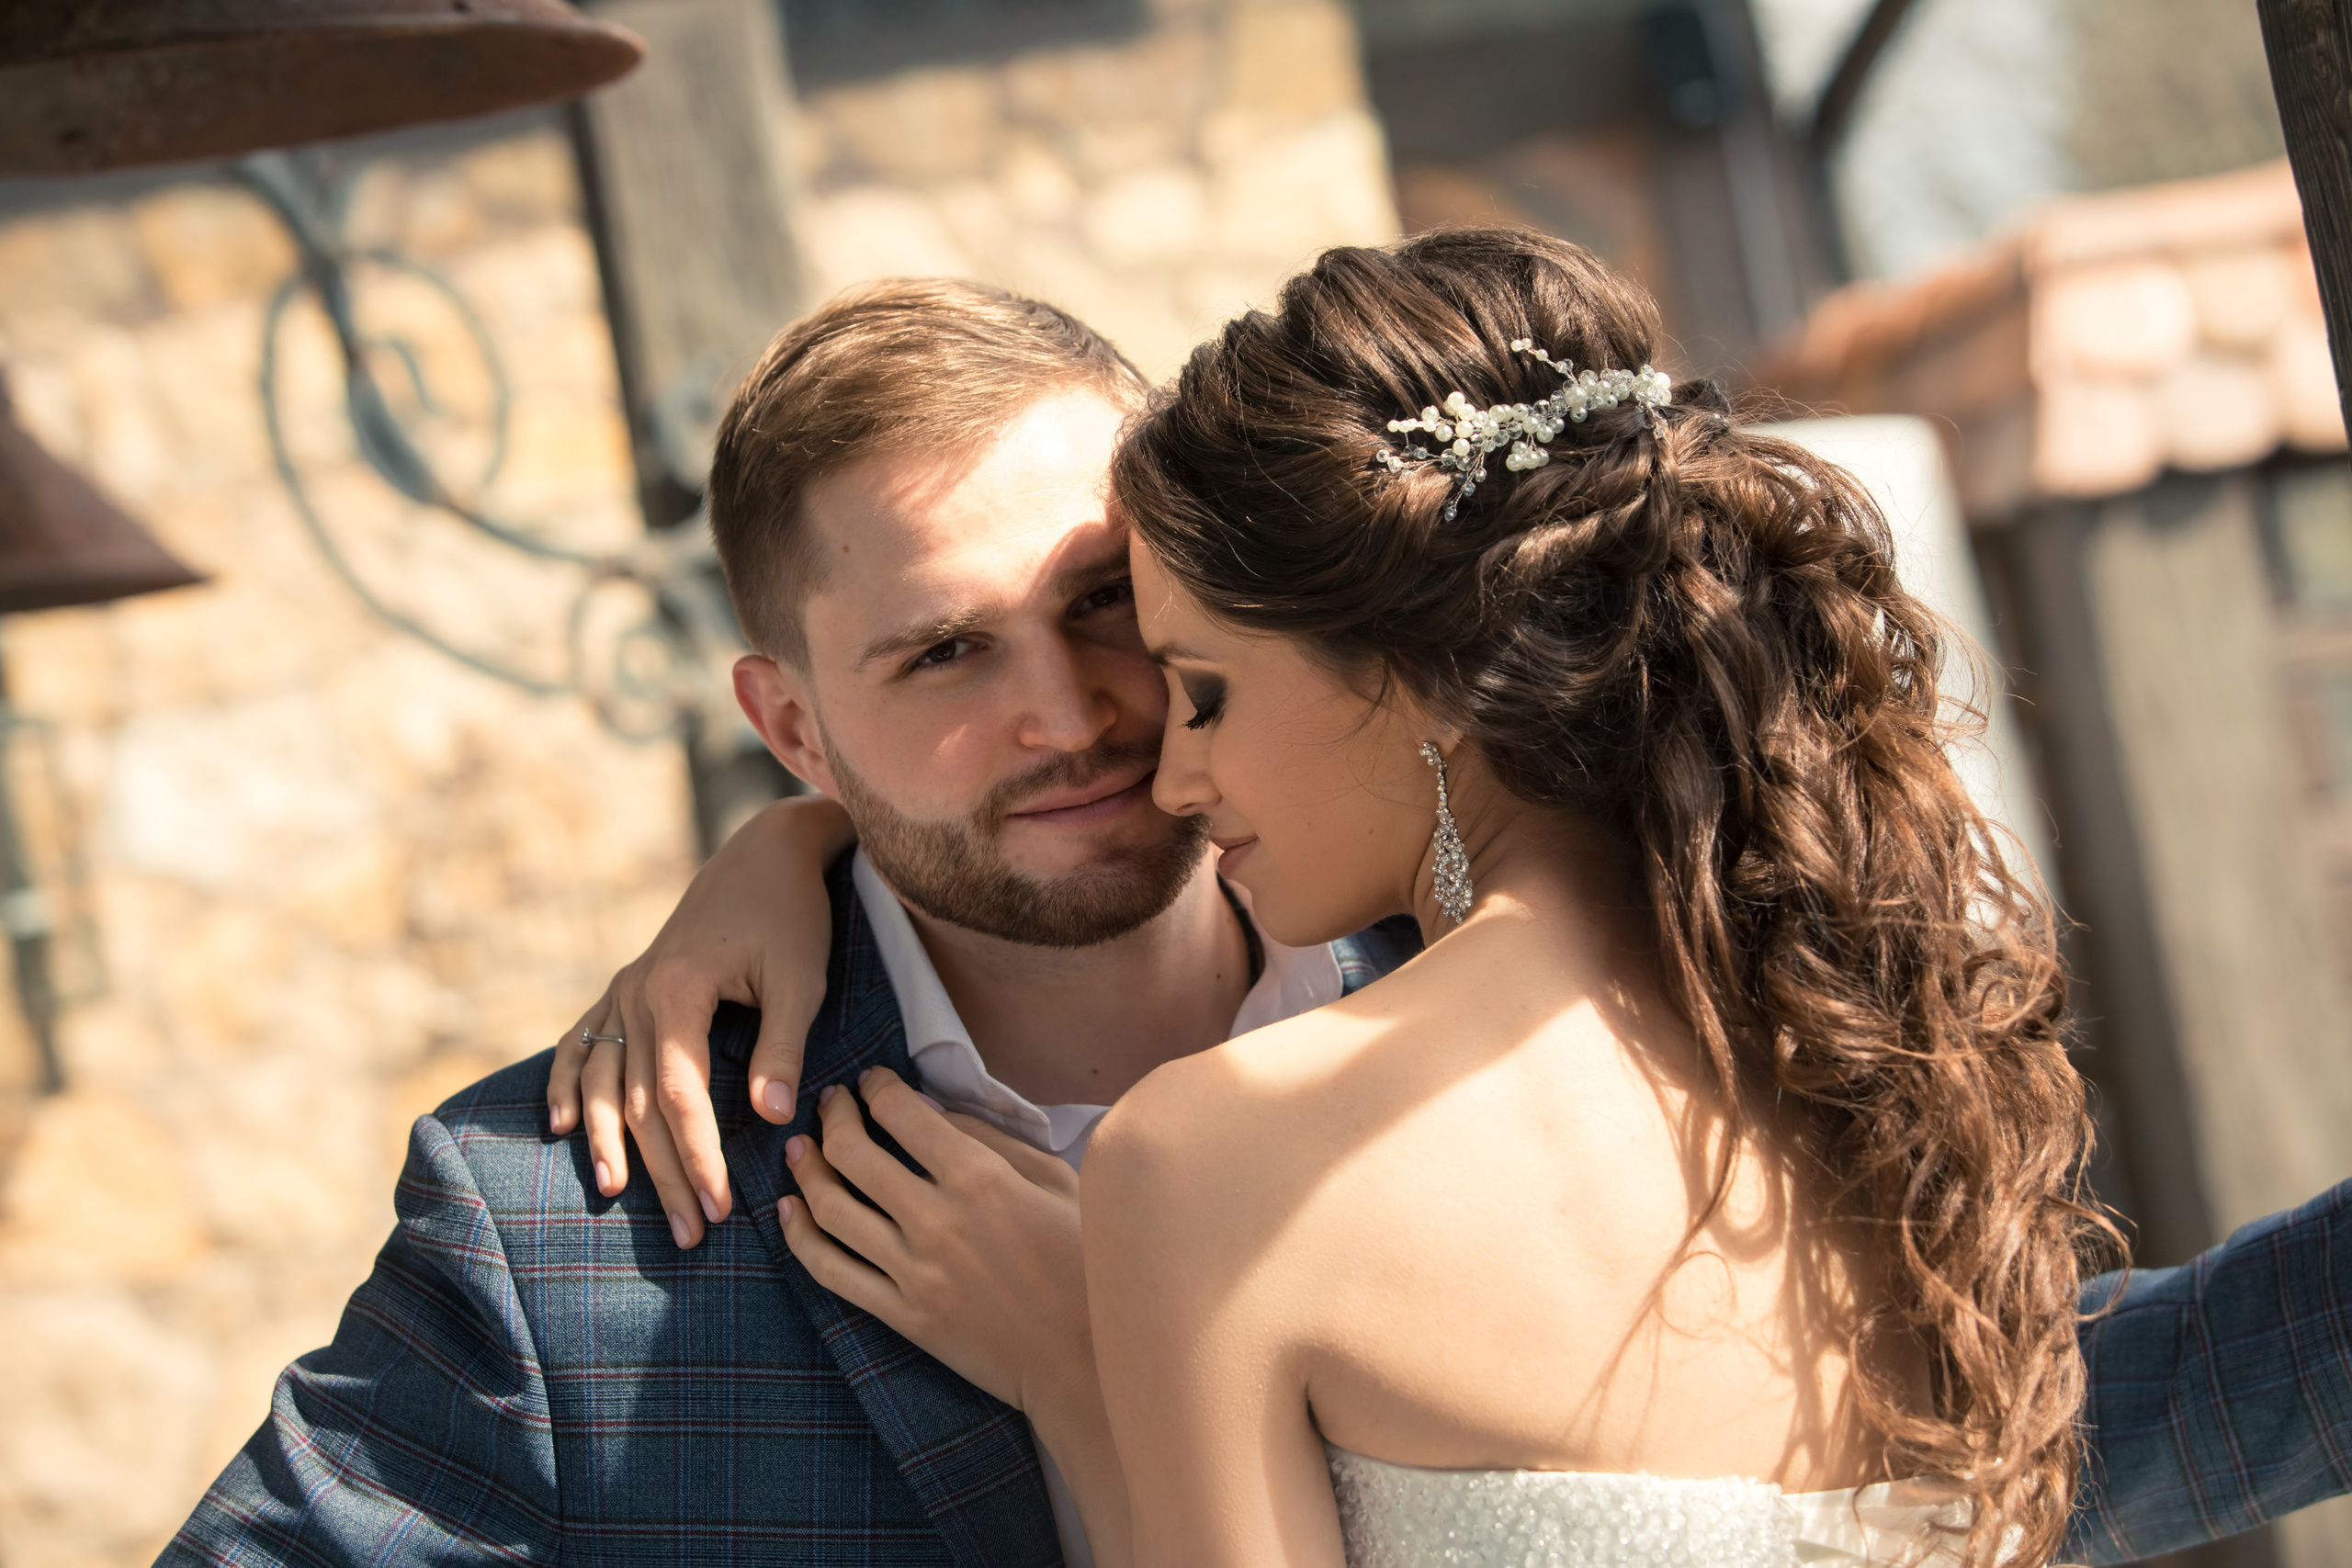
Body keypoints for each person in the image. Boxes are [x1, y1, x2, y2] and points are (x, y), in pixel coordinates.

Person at [168, 258, 2351, 1568]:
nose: (1081, 717)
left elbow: (1998, 1444)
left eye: (1116, 611)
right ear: (788, 723)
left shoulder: (1656, 998)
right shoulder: (567, 1230)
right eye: (938, 660)